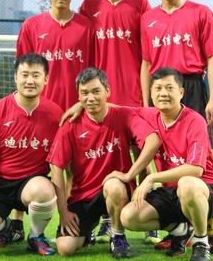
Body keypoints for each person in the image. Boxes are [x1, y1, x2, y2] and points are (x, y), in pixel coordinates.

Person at [140, 0, 213, 255]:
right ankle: (178, 228)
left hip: (191, 87)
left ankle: (212, 232)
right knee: (164, 155)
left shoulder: (201, 13)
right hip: (161, 93)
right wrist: (145, 102)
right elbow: (146, 63)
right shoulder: (148, 19)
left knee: (203, 158)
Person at [4, 0, 94, 242]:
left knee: (74, 169)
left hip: (74, 111)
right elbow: (23, 71)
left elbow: (93, 71)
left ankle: (70, 221)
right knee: (30, 165)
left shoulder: (86, 27)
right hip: (41, 112)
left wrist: (81, 104)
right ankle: (17, 222)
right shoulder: (32, 26)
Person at [79, 0, 158, 244]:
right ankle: (106, 219)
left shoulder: (140, 3)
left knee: (143, 157)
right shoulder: (89, 6)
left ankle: (148, 216)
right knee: (104, 158)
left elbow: (147, 55)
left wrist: (146, 99)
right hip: (101, 100)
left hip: (133, 97)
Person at [47, 68, 161, 258]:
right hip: (84, 196)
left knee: (114, 185)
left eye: (96, 91)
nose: (90, 98)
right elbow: (57, 169)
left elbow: (153, 140)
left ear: (108, 91)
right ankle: (88, 231)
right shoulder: (69, 126)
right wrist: (64, 211)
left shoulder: (124, 115)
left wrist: (129, 175)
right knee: (65, 248)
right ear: (78, 97)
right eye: (84, 93)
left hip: (118, 189)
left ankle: (117, 236)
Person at [121, 68, 213, 261]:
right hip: (172, 193)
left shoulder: (195, 121)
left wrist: (151, 178)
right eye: (158, 88)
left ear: (181, 92)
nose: (163, 93)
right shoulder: (149, 115)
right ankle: (180, 230)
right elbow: (115, 110)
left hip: (204, 190)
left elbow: (195, 170)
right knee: (129, 216)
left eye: (169, 88)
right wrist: (80, 106)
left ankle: (201, 243)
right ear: (151, 92)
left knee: (187, 183)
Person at [0, 53, 62, 255]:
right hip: (0, 184)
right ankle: (4, 226)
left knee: (44, 190)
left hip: (31, 184)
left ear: (46, 79)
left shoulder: (54, 114)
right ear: (15, 78)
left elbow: (61, 162)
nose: (30, 80)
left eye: (36, 75)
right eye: (24, 75)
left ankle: (36, 236)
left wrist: (66, 207)